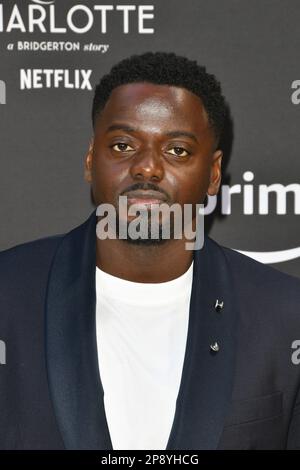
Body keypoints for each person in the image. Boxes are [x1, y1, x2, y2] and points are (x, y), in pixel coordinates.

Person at [0, 51, 299, 450]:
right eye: (123, 145)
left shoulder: (284, 312)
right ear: (91, 159)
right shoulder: (9, 292)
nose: (146, 168)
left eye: (177, 150)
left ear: (213, 175)